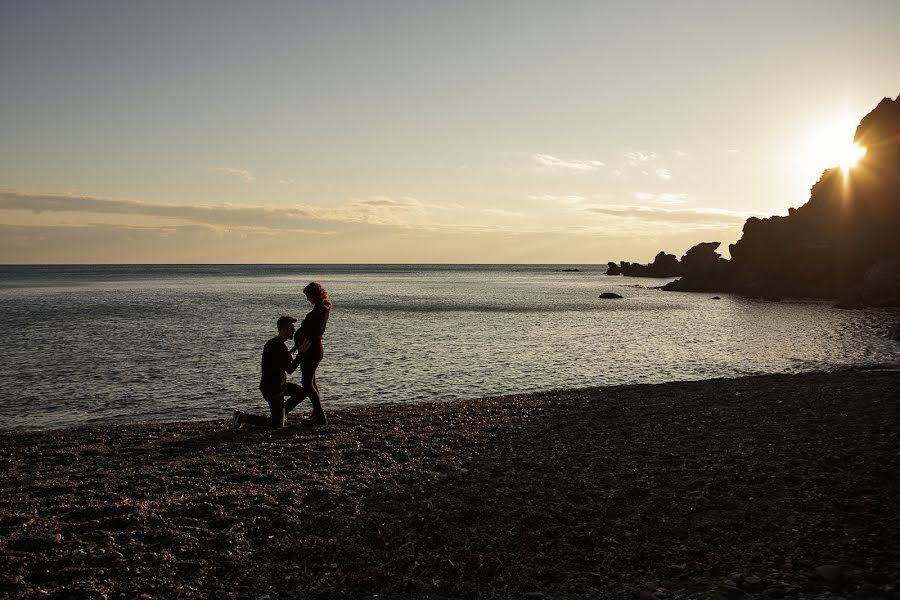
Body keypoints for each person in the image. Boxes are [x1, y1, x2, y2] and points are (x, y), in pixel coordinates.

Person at [233, 315, 308, 429]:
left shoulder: (274, 343)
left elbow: (282, 361)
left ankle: (282, 413)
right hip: (273, 390)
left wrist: (294, 350)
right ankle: (243, 417)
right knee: (276, 424)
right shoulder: (278, 347)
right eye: (291, 328)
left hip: (279, 386)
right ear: (284, 329)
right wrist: (301, 354)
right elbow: (290, 369)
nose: (293, 330)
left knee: (301, 393)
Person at [284, 282, 332, 426]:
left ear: (314, 295)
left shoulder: (321, 310)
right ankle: (317, 413)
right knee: (311, 382)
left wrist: (302, 347)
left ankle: (320, 415)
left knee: (306, 383)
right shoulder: (319, 309)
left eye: (308, 296)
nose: (307, 300)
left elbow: (315, 332)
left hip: (311, 351)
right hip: (307, 349)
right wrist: (295, 348)